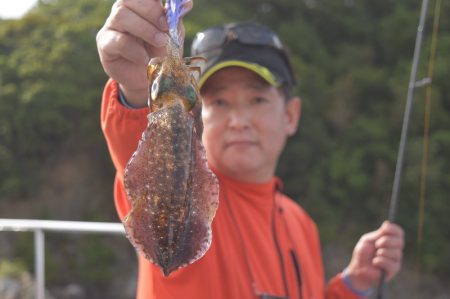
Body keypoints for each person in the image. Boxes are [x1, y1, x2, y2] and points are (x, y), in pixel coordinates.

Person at [96, 1, 404, 298]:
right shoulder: (187, 201)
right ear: (198, 112)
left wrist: (353, 285)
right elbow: (138, 147)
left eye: (257, 100)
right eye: (218, 102)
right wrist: (138, 89)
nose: (238, 121)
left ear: (291, 115)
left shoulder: (302, 224)